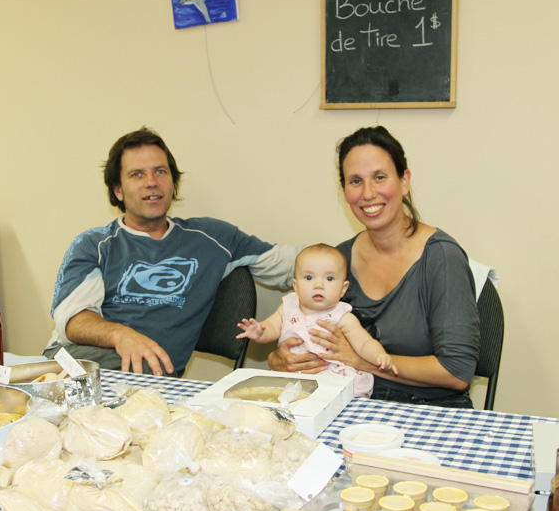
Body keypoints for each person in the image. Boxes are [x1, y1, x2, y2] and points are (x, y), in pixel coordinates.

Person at [44, 126, 296, 377]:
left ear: (173, 183)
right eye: (137, 174)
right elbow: (73, 320)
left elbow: (300, 264)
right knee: (138, 367)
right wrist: (121, 335)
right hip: (73, 361)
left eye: (160, 171)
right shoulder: (94, 244)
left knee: (145, 367)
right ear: (118, 190)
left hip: (148, 375)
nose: (151, 182)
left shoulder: (214, 239)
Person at [268, 126, 480, 408]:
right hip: (350, 403)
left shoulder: (441, 257)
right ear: (345, 191)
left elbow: (456, 372)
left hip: (429, 408)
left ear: (404, 181)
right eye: (356, 181)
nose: (368, 193)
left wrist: (361, 361)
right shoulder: (338, 260)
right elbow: (297, 324)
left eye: (380, 177)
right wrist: (280, 359)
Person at [235, 243, 395, 398]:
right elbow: (271, 328)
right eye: (309, 277)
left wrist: (378, 355)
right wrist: (259, 332)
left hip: (330, 379)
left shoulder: (341, 316)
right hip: (292, 377)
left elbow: (364, 343)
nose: (319, 285)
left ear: (343, 289)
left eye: (330, 278)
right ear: (296, 286)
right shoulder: (288, 306)